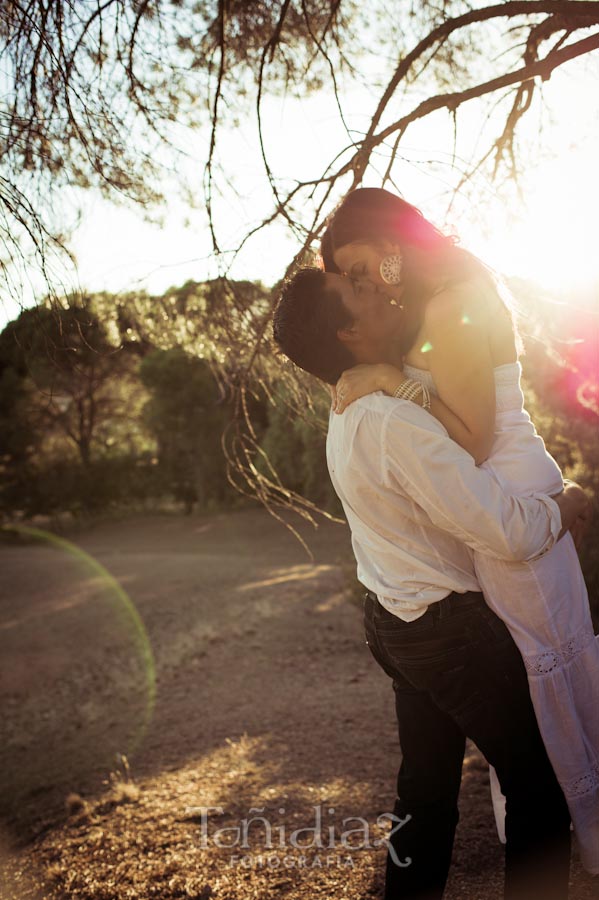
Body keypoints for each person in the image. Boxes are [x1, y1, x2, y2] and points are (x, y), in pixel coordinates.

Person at [272, 266, 590, 899]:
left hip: (393, 622)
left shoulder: (356, 406)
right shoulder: (394, 423)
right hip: (448, 634)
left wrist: (391, 374)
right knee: (539, 789)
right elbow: (507, 532)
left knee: (425, 795)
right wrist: (568, 504)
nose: (385, 286)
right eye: (360, 290)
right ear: (351, 329)